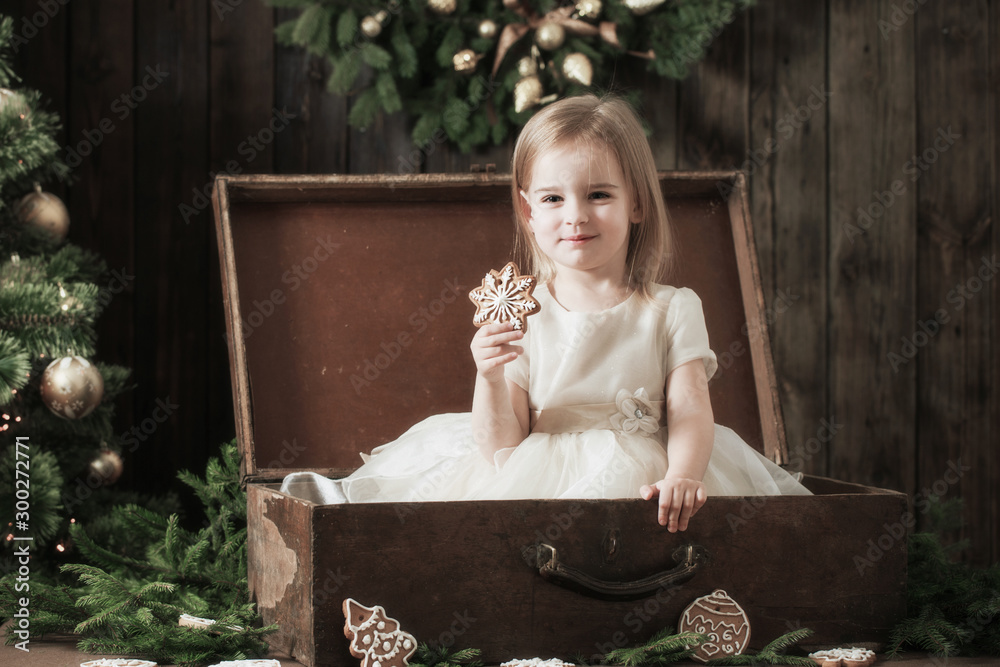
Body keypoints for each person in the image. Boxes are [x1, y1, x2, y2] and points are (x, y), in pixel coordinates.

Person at [280, 94, 811, 531]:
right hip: (536, 477)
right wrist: (488, 375)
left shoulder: (671, 308)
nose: (576, 216)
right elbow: (500, 448)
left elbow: (692, 408)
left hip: (647, 478)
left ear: (638, 204)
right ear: (527, 211)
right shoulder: (525, 312)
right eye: (553, 199)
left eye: (599, 194)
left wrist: (685, 475)